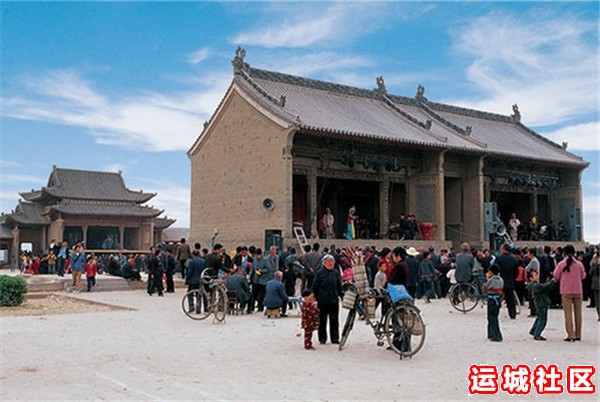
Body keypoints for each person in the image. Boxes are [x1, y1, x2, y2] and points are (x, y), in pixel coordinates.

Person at [553, 245, 586, 341]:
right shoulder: (579, 264)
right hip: (578, 290)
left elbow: (556, 276)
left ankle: (570, 334)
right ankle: (578, 334)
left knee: (568, 314)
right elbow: (583, 276)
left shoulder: (561, 264)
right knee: (578, 313)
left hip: (566, 290)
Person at [312, 254, 342, 344]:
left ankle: (335, 338)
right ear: (324, 262)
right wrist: (315, 298)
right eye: (329, 261)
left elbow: (339, 286)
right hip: (322, 300)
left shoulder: (336, 273)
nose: (331, 263)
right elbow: (315, 287)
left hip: (333, 299)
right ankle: (322, 338)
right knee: (322, 320)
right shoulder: (319, 273)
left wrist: (341, 295)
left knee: (334, 320)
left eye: (332, 262)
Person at [527, 270, 554, 341]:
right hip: (542, 303)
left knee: (539, 318)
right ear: (531, 278)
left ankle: (534, 330)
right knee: (542, 320)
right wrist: (552, 281)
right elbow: (545, 286)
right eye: (535, 275)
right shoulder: (536, 286)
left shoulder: (532, 286)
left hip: (539, 304)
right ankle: (537, 334)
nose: (537, 277)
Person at [496, 243, 519, 319]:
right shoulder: (514, 259)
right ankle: (512, 314)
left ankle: (495, 312)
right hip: (510, 281)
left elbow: (495, 269)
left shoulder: (499, 258)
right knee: (510, 299)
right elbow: (516, 271)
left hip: (500, 281)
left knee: (497, 298)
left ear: (503, 249)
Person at [482, 264, 504, 342]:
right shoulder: (501, 279)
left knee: (491, 317)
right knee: (495, 316)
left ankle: (495, 335)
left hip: (491, 299)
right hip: (497, 299)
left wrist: (487, 279)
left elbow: (484, 288)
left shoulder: (491, 280)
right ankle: (491, 333)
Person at [250, 248, 268, 312]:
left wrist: (262, 271)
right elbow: (252, 268)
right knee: (254, 294)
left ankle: (260, 307)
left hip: (262, 280)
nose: (257, 257)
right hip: (255, 279)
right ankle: (251, 307)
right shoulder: (254, 260)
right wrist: (249, 275)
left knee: (261, 295)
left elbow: (268, 269)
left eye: (258, 255)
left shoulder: (265, 260)